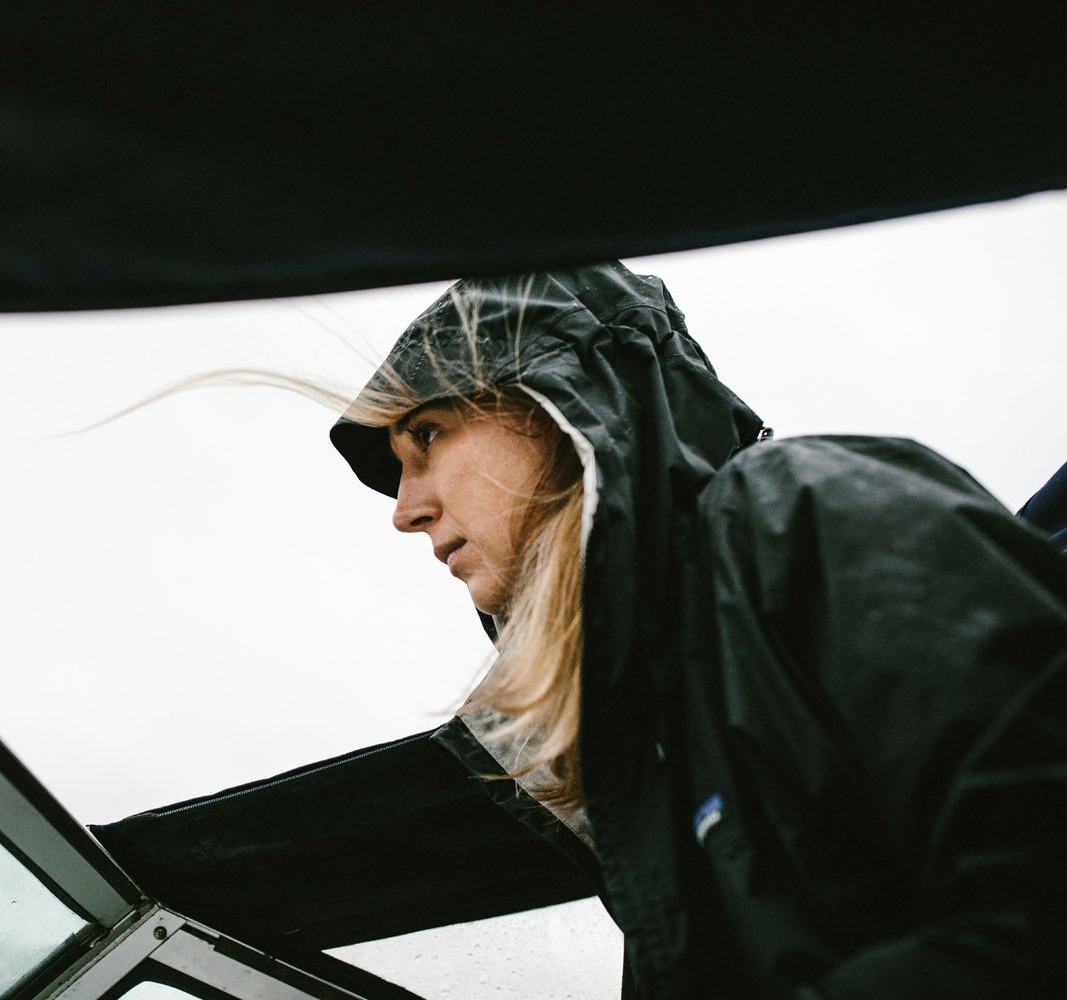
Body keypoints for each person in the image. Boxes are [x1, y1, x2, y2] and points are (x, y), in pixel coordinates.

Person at [325, 264, 1067, 998]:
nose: (406, 508)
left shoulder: (795, 516)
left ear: (565, 400)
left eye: (428, 435)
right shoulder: (625, 733)